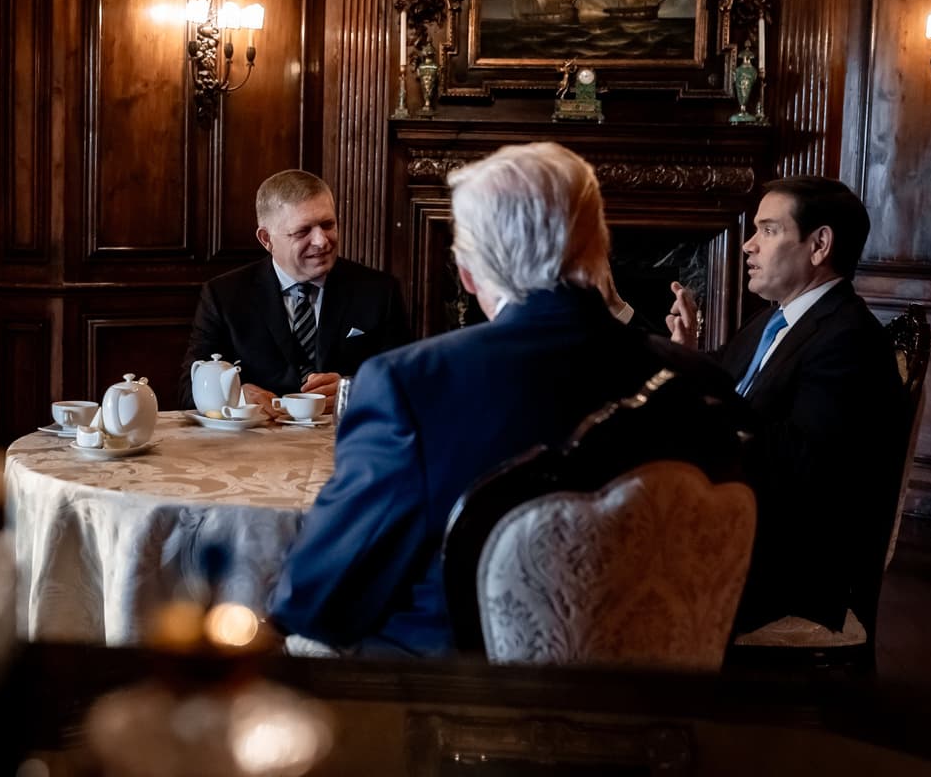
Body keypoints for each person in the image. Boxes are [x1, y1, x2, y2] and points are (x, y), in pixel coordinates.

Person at [268, 142, 740, 657]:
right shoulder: (704, 384)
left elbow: (314, 599)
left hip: (453, 697)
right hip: (665, 699)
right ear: (600, 247)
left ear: (468, 273)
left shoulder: (411, 387)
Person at [665, 176, 907, 635]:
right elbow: (724, 377)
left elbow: (801, 467)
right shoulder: (776, 319)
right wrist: (685, 353)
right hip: (744, 528)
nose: (748, 245)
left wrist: (699, 410)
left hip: (788, 568)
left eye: (769, 230)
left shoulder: (848, 339)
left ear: (819, 245)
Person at [178, 169, 410, 414]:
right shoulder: (223, 295)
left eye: (328, 225)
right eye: (302, 231)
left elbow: (407, 381)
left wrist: (353, 390)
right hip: (259, 435)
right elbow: (187, 391)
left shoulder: (379, 291)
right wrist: (237, 397)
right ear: (266, 239)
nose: (321, 241)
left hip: (343, 432)